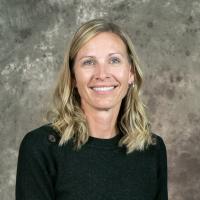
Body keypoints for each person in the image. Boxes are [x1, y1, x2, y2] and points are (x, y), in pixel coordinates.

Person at [16, 19, 168, 200]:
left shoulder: (152, 149)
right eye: (88, 62)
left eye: (114, 60)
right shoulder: (41, 147)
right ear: (73, 77)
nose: (102, 74)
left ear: (131, 73)